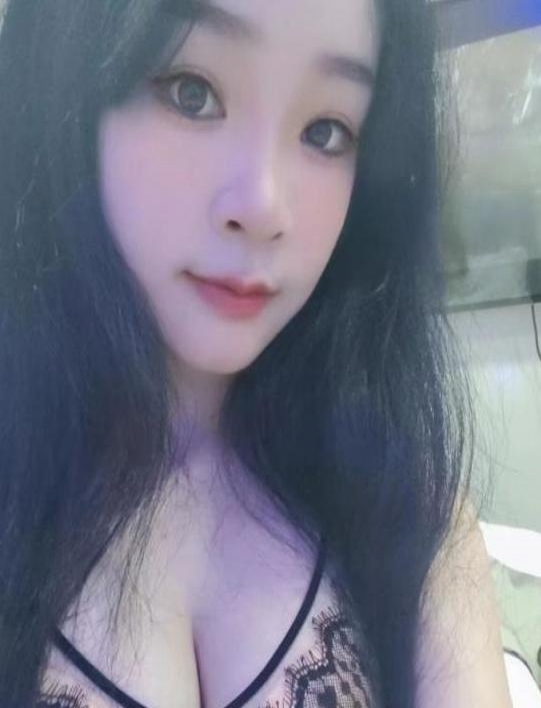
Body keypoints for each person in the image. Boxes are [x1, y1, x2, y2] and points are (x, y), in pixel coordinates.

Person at [0, 1, 512, 707]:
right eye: (191, 92)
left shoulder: (414, 524)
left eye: (326, 131)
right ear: (65, 80)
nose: (264, 206)